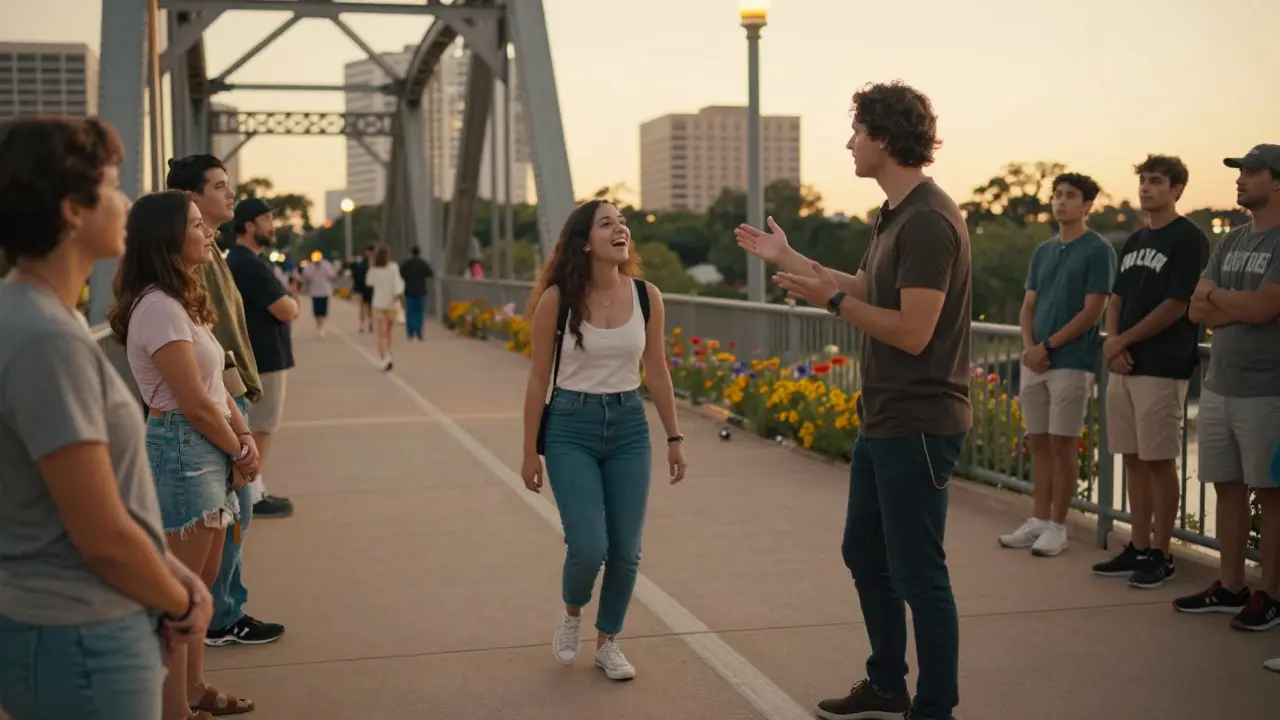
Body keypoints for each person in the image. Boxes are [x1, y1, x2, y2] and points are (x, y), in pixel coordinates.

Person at [738, 80, 972, 720]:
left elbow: (913, 329)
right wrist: (798, 260)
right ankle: (888, 682)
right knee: (865, 553)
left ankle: (934, 705)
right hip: (885, 417)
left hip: (919, 420)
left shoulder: (927, 220)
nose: (849, 142)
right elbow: (870, 287)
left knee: (920, 572)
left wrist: (832, 303)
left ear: (886, 138)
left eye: (857, 131)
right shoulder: (896, 214)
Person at [0, 117, 213, 720]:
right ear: (72, 209)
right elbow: (98, 531)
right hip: (85, 636)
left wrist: (172, 571)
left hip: (56, 626)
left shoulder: (29, 313)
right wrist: (178, 600)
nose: (126, 203)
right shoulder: (46, 339)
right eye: (114, 187)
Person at [521, 199, 687, 682]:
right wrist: (529, 449)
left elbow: (656, 369)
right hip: (571, 426)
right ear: (584, 240)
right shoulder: (558, 299)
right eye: (607, 223)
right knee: (589, 545)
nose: (621, 229)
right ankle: (572, 613)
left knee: (627, 549)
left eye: (623, 222)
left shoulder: (647, 295)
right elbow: (536, 381)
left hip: (629, 424)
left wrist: (674, 436)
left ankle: (608, 641)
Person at [109, 190, 257, 717]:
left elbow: (218, 386)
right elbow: (191, 402)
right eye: (197, 223)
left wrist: (244, 439)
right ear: (169, 236)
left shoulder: (184, 303)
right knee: (180, 598)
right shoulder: (157, 308)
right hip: (182, 449)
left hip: (208, 446)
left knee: (203, 588)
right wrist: (238, 446)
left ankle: (194, 689)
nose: (207, 230)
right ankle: (173, 709)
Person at [167, 157, 290, 656]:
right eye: (219, 187)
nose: (230, 194)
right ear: (191, 199)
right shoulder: (189, 263)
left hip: (229, 394)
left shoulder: (213, 252)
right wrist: (235, 417)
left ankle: (226, 611)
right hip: (218, 397)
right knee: (230, 514)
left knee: (235, 513)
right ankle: (221, 618)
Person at [1177, 143, 1280, 633]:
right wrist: (1233, 303)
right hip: (1220, 385)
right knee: (1228, 488)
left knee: (1272, 493)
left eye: (1251, 172)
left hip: (1268, 389)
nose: (1240, 179)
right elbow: (1196, 312)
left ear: (1277, 181)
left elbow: (1264, 310)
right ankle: (1231, 584)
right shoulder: (1232, 239)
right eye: (1239, 171)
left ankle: (1271, 594)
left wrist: (1219, 297)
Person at [1093, 155, 1208, 588]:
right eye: (1142, 180)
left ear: (1176, 189)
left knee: (1160, 462)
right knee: (1133, 459)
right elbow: (1117, 296)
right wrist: (1112, 340)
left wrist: (1123, 341)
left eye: (1156, 181)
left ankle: (1162, 553)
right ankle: (1138, 546)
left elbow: (1177, 304)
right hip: (1124, 365)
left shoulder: (1189, 238)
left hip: (1162, 366)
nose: (1146, 188)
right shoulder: (1136, 238)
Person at [1000, 172, 1116, 558]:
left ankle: (1057, 526)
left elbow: (1092, 312)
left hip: (1071, 362)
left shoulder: (1098, 250)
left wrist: (1048, 345)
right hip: (1037, 361)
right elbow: (1028, 305)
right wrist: (1031, 347)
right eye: (1057, 195)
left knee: (1064, 445)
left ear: (1087, 206)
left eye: (1070, 196)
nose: (1061, 202)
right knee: (1039, 444)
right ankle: (1037, 520)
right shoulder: (1044, 251)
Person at [226, 197, 300, 543]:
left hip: (259, 356)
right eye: (267, 219)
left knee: (258, 426)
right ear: (250, 225)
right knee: (262, 428)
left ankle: (256, 489)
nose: (272, 225)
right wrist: (291, 301)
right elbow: (285, 309)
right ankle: (251, 496)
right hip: (264, 358)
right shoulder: (248, 264)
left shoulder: (241, 261)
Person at [365, 243, 404, 370]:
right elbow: (397, 285)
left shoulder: (374, 269)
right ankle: (389, 352)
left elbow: (368, 282)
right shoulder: (393, 267)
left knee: (381, 333)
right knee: (389, 331)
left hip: (378, 303)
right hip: (391, 303)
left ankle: (383, 357)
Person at [400, 244, 434, 340]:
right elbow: (430, 273)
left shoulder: (406, 264)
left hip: (409, 290)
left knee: (410, 312)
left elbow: (401, 274)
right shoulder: (423, 263)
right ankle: (419, 332)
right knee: (420, 312)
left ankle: (410, 332)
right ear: (419, 253)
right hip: (421, 291)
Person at [303, 250, 337, 338]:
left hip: (324, 290)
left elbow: (332, 275)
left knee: (324, 310)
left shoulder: (326, 264)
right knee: (316, 311)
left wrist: (332, 275)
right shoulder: (310, 266)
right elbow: (306, 276)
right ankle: (318, 324)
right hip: (315, 291)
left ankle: (321, 326)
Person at [350, 245, 374, 333]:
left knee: (371, 307)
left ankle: (371, 323)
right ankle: (362, 324)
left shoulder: (376, 263)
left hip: (372, 287)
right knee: (363, 306)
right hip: (363, 287)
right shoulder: (362, 263)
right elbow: (357, 273)